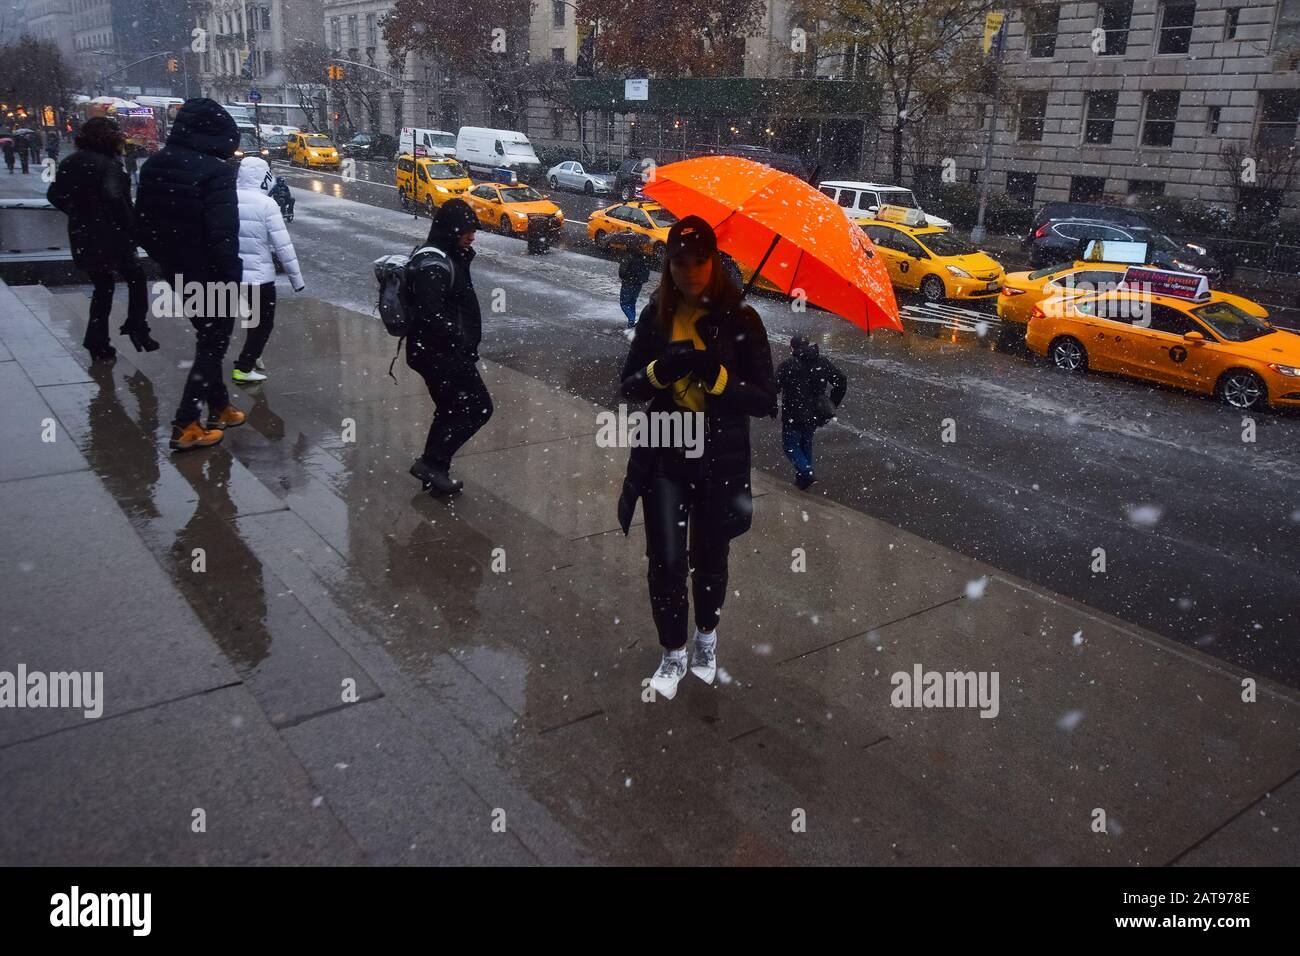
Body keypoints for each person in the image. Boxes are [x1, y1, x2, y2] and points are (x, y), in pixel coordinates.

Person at [618, 216, 776, 701]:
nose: (689, 271)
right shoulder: (657, 316)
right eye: (679, 261)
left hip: (717, 454)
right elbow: (628, 386)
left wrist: (719, 376)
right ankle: (673, 650)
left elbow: (766, 400)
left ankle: (706, 637)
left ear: (714, 262)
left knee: (709, 557)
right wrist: (659, 371)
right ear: (669, 265)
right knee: (665, 559)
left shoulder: (742, 320)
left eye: (699, 260)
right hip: (666, 447)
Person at [134, 97, 245, 452]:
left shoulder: (153, 165)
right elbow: (223, 235)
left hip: (178, 271)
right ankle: (186, 423)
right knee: (213, 345)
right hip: (212, 273)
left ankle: (220, 406)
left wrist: (170, 258)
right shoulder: (215, 172)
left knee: (207, 338)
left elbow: (143, 227)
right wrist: (231, 280)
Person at [47, 117, 158, 362]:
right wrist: (136, 233)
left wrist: (79, 212)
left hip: (84, 237)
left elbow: (54, 194)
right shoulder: (108, 166)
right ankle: (137, 325)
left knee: (103, 287)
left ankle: (98, 341)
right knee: (136, 278)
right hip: (113, 237)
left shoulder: (70, 162)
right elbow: (119, 205)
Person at [405, 198, 493, 495]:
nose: (472, 236)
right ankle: (433, 463)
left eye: (474, 230)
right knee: (478, 408)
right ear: (450, 230)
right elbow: (431, 313)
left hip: (437, 353)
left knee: (451, 409)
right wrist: (460, 340)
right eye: (467, 230)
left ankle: (434, 465)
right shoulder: (435, 262)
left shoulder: (448, 254)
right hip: (442, 355)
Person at [231, 157, 305, 383]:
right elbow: (282, 245)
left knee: (249, 319)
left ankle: (253, 354)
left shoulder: (227, 198)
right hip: (259, 274)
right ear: (265, 176)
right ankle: (244, 367)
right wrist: (296, 280)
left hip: (231, 271)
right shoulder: (266, 204)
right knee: (263, 321)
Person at [775, 334, 847, 490]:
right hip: (815, 414)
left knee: (790, 446)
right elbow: (841, 381)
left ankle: (806, 473)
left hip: (793, 413)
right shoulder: (822, 363)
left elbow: (774, 387)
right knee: (806, 443)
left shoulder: (787, 365)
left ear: (792, 348)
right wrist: (832, 402)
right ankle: (802, 480)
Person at [617, 239, 651, 329]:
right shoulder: (643, 256)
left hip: (628, 282)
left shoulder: (628, 256)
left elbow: (622, 271)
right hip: (638, 282)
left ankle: (632, 320)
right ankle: (632, 322)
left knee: (624, 303)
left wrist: (623, 277)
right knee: (632, 302)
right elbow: (647, 269)